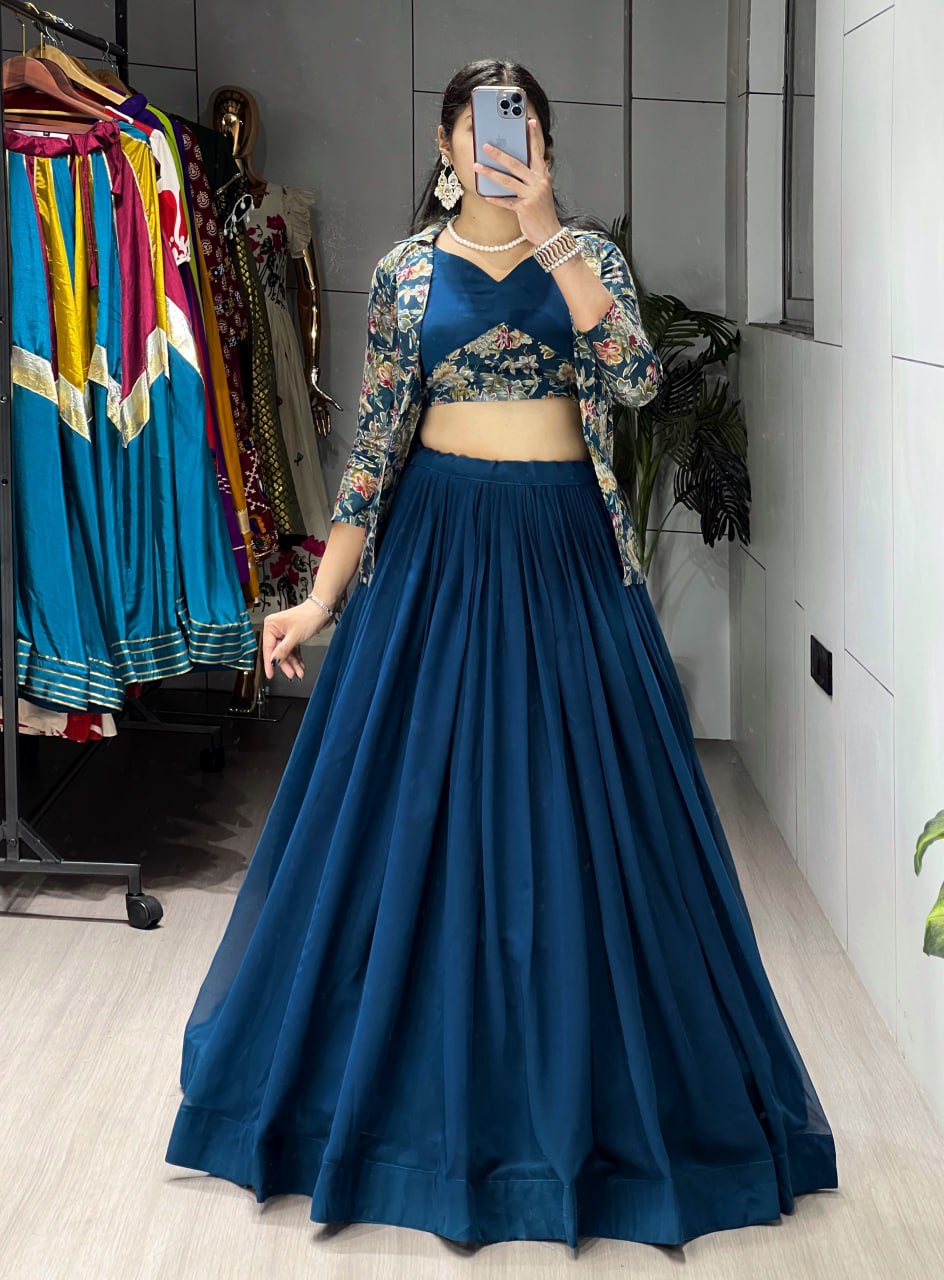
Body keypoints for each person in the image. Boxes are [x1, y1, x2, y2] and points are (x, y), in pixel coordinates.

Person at [165, 59, 839, 1248]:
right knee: (407, 825)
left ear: (542, 143)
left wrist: (550, 236)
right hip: (437, 556)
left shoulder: (587, 261)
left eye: (521, 127)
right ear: (445, 142)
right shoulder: (405, 273)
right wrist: (317, 601)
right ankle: (391, 1110)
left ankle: (604, 1112)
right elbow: (372, 455)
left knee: (589, 824)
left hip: (567, 554)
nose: (499, 145)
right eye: (481, 127)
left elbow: (635, 379)